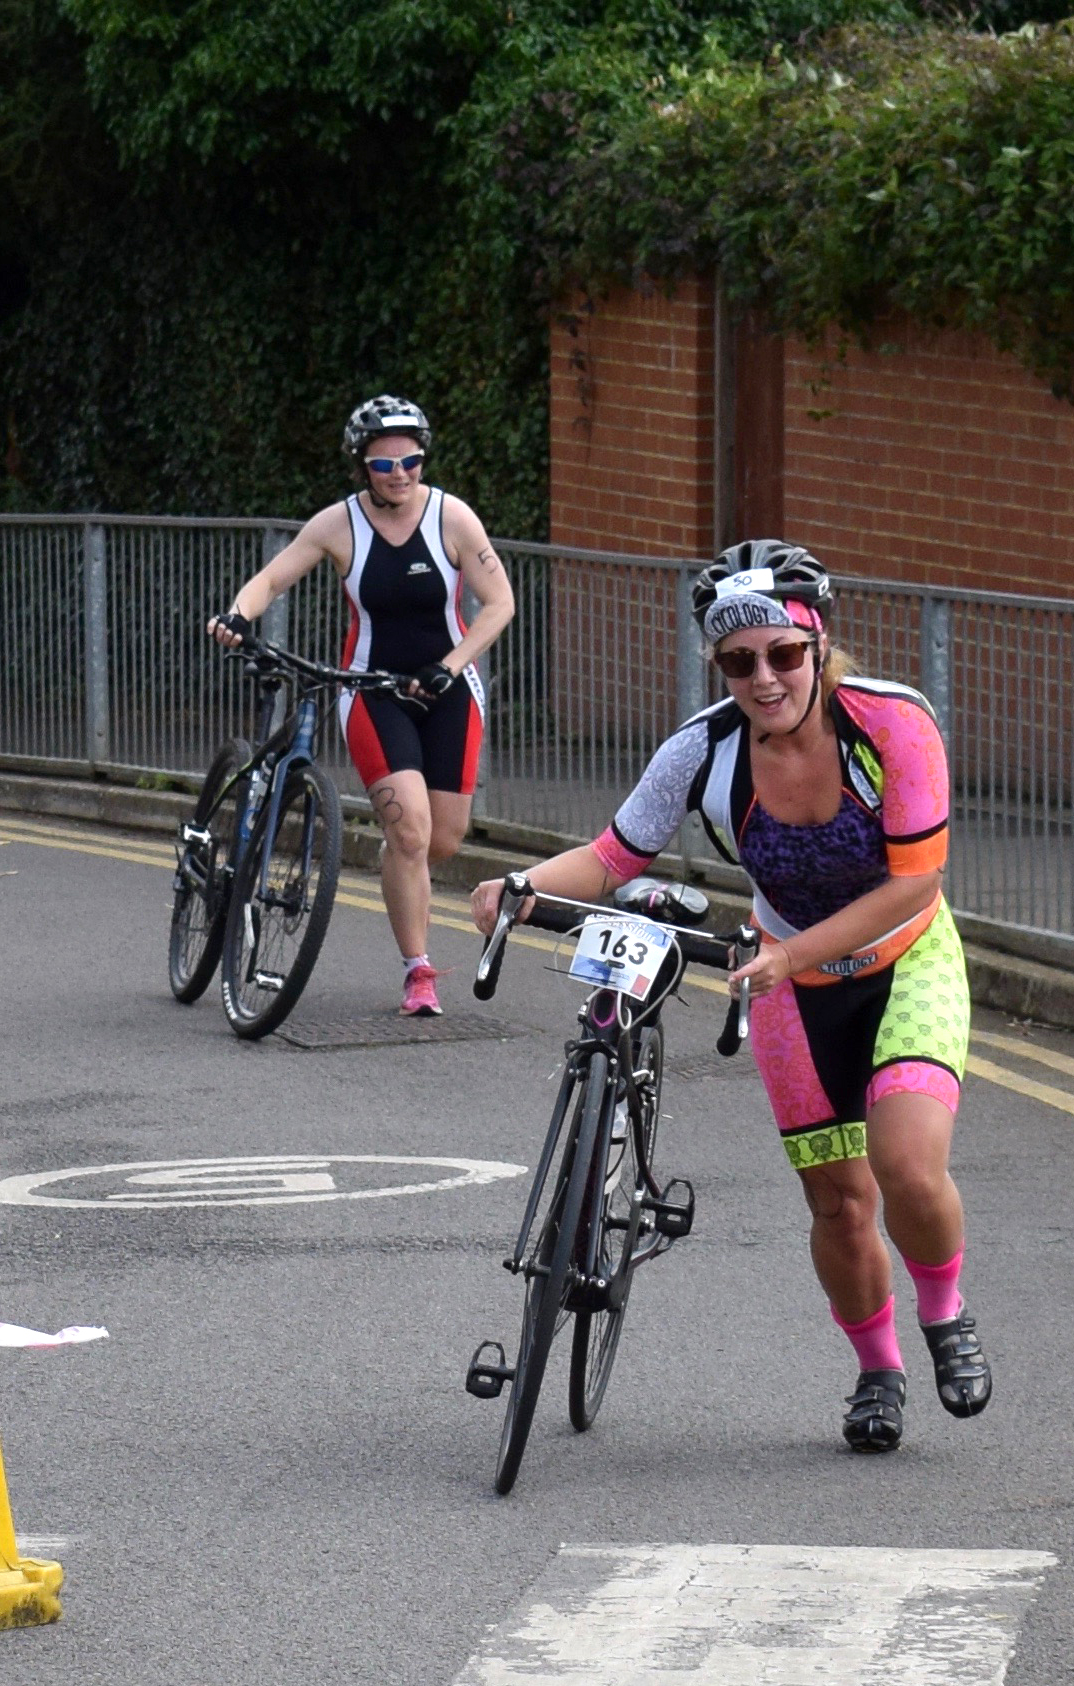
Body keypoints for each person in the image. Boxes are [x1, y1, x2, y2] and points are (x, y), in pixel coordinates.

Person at [468, 543, 989, 1453]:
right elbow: (609, 860)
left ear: (818, 647)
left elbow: (915, 881)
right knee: (835, 1202)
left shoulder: (893, 725)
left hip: (906, 960)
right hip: (789, 986)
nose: (763, 677)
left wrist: (789, 956)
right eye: (737, 661)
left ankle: (944, 1313)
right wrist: (515, 885)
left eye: (783, 654)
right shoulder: (701, 750)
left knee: (905, 1165)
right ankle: (877, 1371)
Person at [208, 393, 515, 1016]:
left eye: (412, 462)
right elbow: (271, 579)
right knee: (411, 831)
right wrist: (240, 614)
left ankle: (401, 861)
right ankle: (419, 971)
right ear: (361, 467)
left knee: (444, 839)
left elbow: (500, 602)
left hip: (450, 688)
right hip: (372, 692)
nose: (400, 475)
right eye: (384, 465)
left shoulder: (454, 519)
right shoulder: (337, 524)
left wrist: (449, 668)